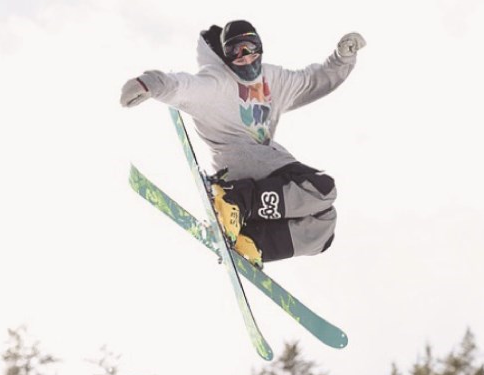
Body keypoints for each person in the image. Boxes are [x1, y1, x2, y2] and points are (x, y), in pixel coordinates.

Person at [120, 20, 365, 267]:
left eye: (249, 48)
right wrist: (148, 84)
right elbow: (180, 85)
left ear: (259, 47)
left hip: (266, 162)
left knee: (323, 224)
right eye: (234, 53)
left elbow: (313, 81)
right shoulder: (216, 84)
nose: (244, 58)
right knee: (320, 189)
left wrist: (342, 58)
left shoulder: (274, 79)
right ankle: (234, 200)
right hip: (237, 159)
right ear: (226, 57)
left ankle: (251, 242)